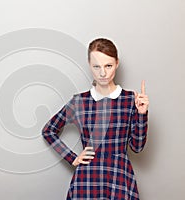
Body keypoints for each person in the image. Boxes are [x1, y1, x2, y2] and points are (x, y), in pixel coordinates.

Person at [41, 38, 149, 199]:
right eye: (96, 66)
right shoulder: (79, 102)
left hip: (119, 177)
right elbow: (48, 131)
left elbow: (137, 147)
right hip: (87, 180)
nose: (103, 73)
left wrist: (142, 114)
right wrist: (73, 158)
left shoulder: (130, 99)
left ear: (117, 63)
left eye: (108, 66)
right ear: (89, 65)